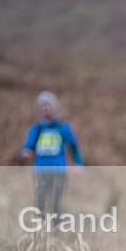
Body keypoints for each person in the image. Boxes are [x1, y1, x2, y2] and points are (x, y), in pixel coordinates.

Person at [20, 91, 83, 223]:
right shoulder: (36, 128)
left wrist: (78, 163)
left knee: (56, 203)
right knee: (40, 201)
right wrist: (26, 152)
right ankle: (39, 232)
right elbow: (27, 146)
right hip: (41, 170)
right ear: (39, 109)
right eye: (43, 106)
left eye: (48, 105)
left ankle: (56, 234)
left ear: (54, 108)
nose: (46, 108)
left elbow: (74, 146)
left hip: (59, 170)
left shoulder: (63, 127)